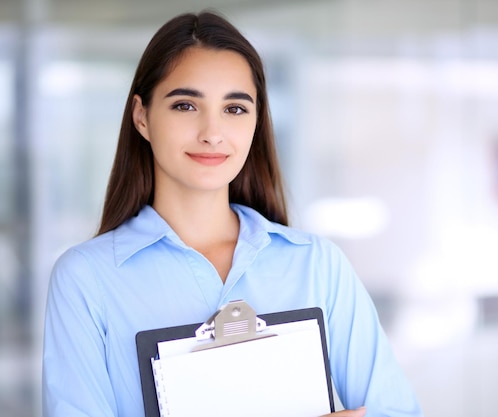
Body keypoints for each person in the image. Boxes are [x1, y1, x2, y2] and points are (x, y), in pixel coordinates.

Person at [42, 10, 422, 417]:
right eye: (185, 105)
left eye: (235, 109)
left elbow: (394, 410)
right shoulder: (86, 280)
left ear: (257, 122)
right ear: (142, 116)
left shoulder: (317, 265)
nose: (212, 132)